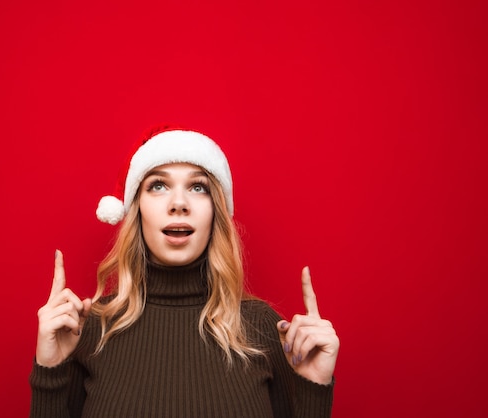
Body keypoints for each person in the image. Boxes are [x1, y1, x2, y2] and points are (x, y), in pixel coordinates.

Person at [29, 126, 339, 417]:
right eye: (158, 185)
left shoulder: (262, 329)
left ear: (216, 212)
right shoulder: (89, 330)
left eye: (198, 187)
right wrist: (50, 368)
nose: (179, 203)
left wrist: (314, 388)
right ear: (136, 210)